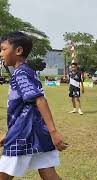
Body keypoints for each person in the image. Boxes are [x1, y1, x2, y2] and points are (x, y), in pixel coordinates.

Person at [0, 31, 67, 179]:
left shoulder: (20, 74)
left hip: (23, 134)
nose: (1, 53)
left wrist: (54, 132)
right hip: (36, 132)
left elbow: (40, 100)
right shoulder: (28, 72)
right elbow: (27, 108)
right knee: (49, 174)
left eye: (4, 49)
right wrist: (8, 133)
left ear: (18, 51)